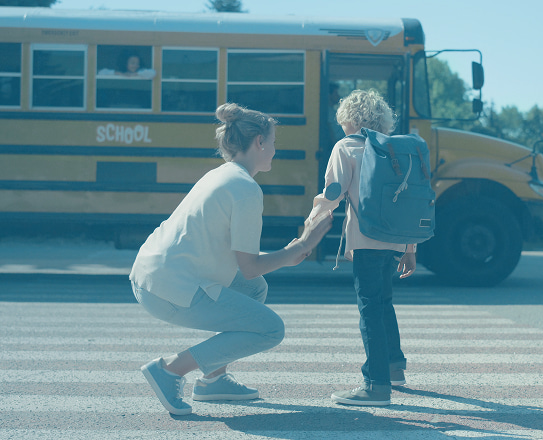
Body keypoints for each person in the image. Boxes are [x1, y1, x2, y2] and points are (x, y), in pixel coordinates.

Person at [129, 103, 332, 415]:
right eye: (274, 142)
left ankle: (214, 380)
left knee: (254, 291)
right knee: (270, 329)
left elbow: (244, 266)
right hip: (167, 288)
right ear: (259, 142)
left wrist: (291, 253)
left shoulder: (222, 175)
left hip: (154, 275)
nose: (275, 150)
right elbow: (249, 267)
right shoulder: (245, 189)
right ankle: (170, 369)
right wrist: (301, 247)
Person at [307, 89, 417, 406]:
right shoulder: (399, 150)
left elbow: (332, 194)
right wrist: (410, 248)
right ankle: (394, 367)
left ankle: (376, 384)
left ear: (353, 119)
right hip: (396, 239)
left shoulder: (347, 147)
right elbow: (409, 202)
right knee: (383, 301)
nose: (341, 127)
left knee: (369, 307)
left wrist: (308, 230)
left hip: (367, 240)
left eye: (343, 121)